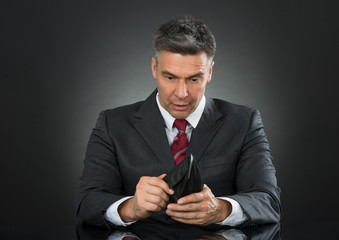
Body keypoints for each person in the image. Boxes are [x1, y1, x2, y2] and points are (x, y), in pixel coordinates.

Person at [76, 16, 281, 229]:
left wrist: (221, 209)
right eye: (170, 78)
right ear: (154, 68)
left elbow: (269, 202)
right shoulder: (111, 124)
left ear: (209, 72)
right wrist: (130, 208)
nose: (182, 94)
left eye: (194, 79)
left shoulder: (245, 122)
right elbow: (87, 205)